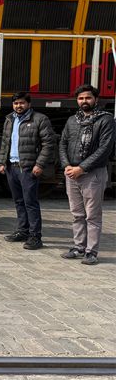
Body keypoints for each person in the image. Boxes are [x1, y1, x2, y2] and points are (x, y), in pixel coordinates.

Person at [59, 84, 115, 265]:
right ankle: (78, 247)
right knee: (77, 214)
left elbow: (105, 149)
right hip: (72, 173)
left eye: (88, 98)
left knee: (92, 215)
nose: (84, 101)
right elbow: (63, 143)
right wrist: (67, 165)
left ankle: (91, 252)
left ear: (96, 99)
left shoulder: (106, 120)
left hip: (93, 174)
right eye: (81, 98)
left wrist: (81, 168)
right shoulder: (72, 120)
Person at [0, 91, 55, 250]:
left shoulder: (40, 119)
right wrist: (2, 162)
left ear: (29, 104)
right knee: (18, 201)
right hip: (12, 166)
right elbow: (5, 142)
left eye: (22, 103)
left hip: (28, 168)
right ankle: (22, 231)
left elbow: (48, 144)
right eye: (16, 103)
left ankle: (35, 237)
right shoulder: (9, 119)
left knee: (31, 202)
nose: (19, 106)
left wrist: (39, 164)